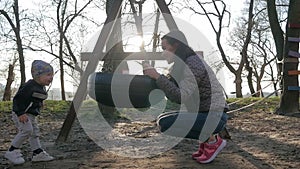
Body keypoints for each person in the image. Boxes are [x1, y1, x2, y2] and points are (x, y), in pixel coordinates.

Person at [143, 30, 229, 164]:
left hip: (214, 117)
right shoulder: (182, 65)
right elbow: (173, 93)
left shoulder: (193, 63)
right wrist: (156, 78)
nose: (162, 52)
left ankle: (212, 142)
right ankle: (207, 141)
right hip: (205, 115)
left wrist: (157, 77)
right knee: (162, 120)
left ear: (176, 45)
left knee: (166, 123)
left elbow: (180, 96)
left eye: (165, 48)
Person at [4, 60, 55, 165]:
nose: (51, 78)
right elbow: (17, 100)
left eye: (52, 75)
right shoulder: (29, 86)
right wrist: (20, 113)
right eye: (48, 75)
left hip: (31, 115)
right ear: (37, 75)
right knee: (26, 130)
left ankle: (37, 153)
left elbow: (36, 99)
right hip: (22, 114)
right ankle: (12, 150)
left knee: (34, 132)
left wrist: (39, 105)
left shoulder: (41, 87)